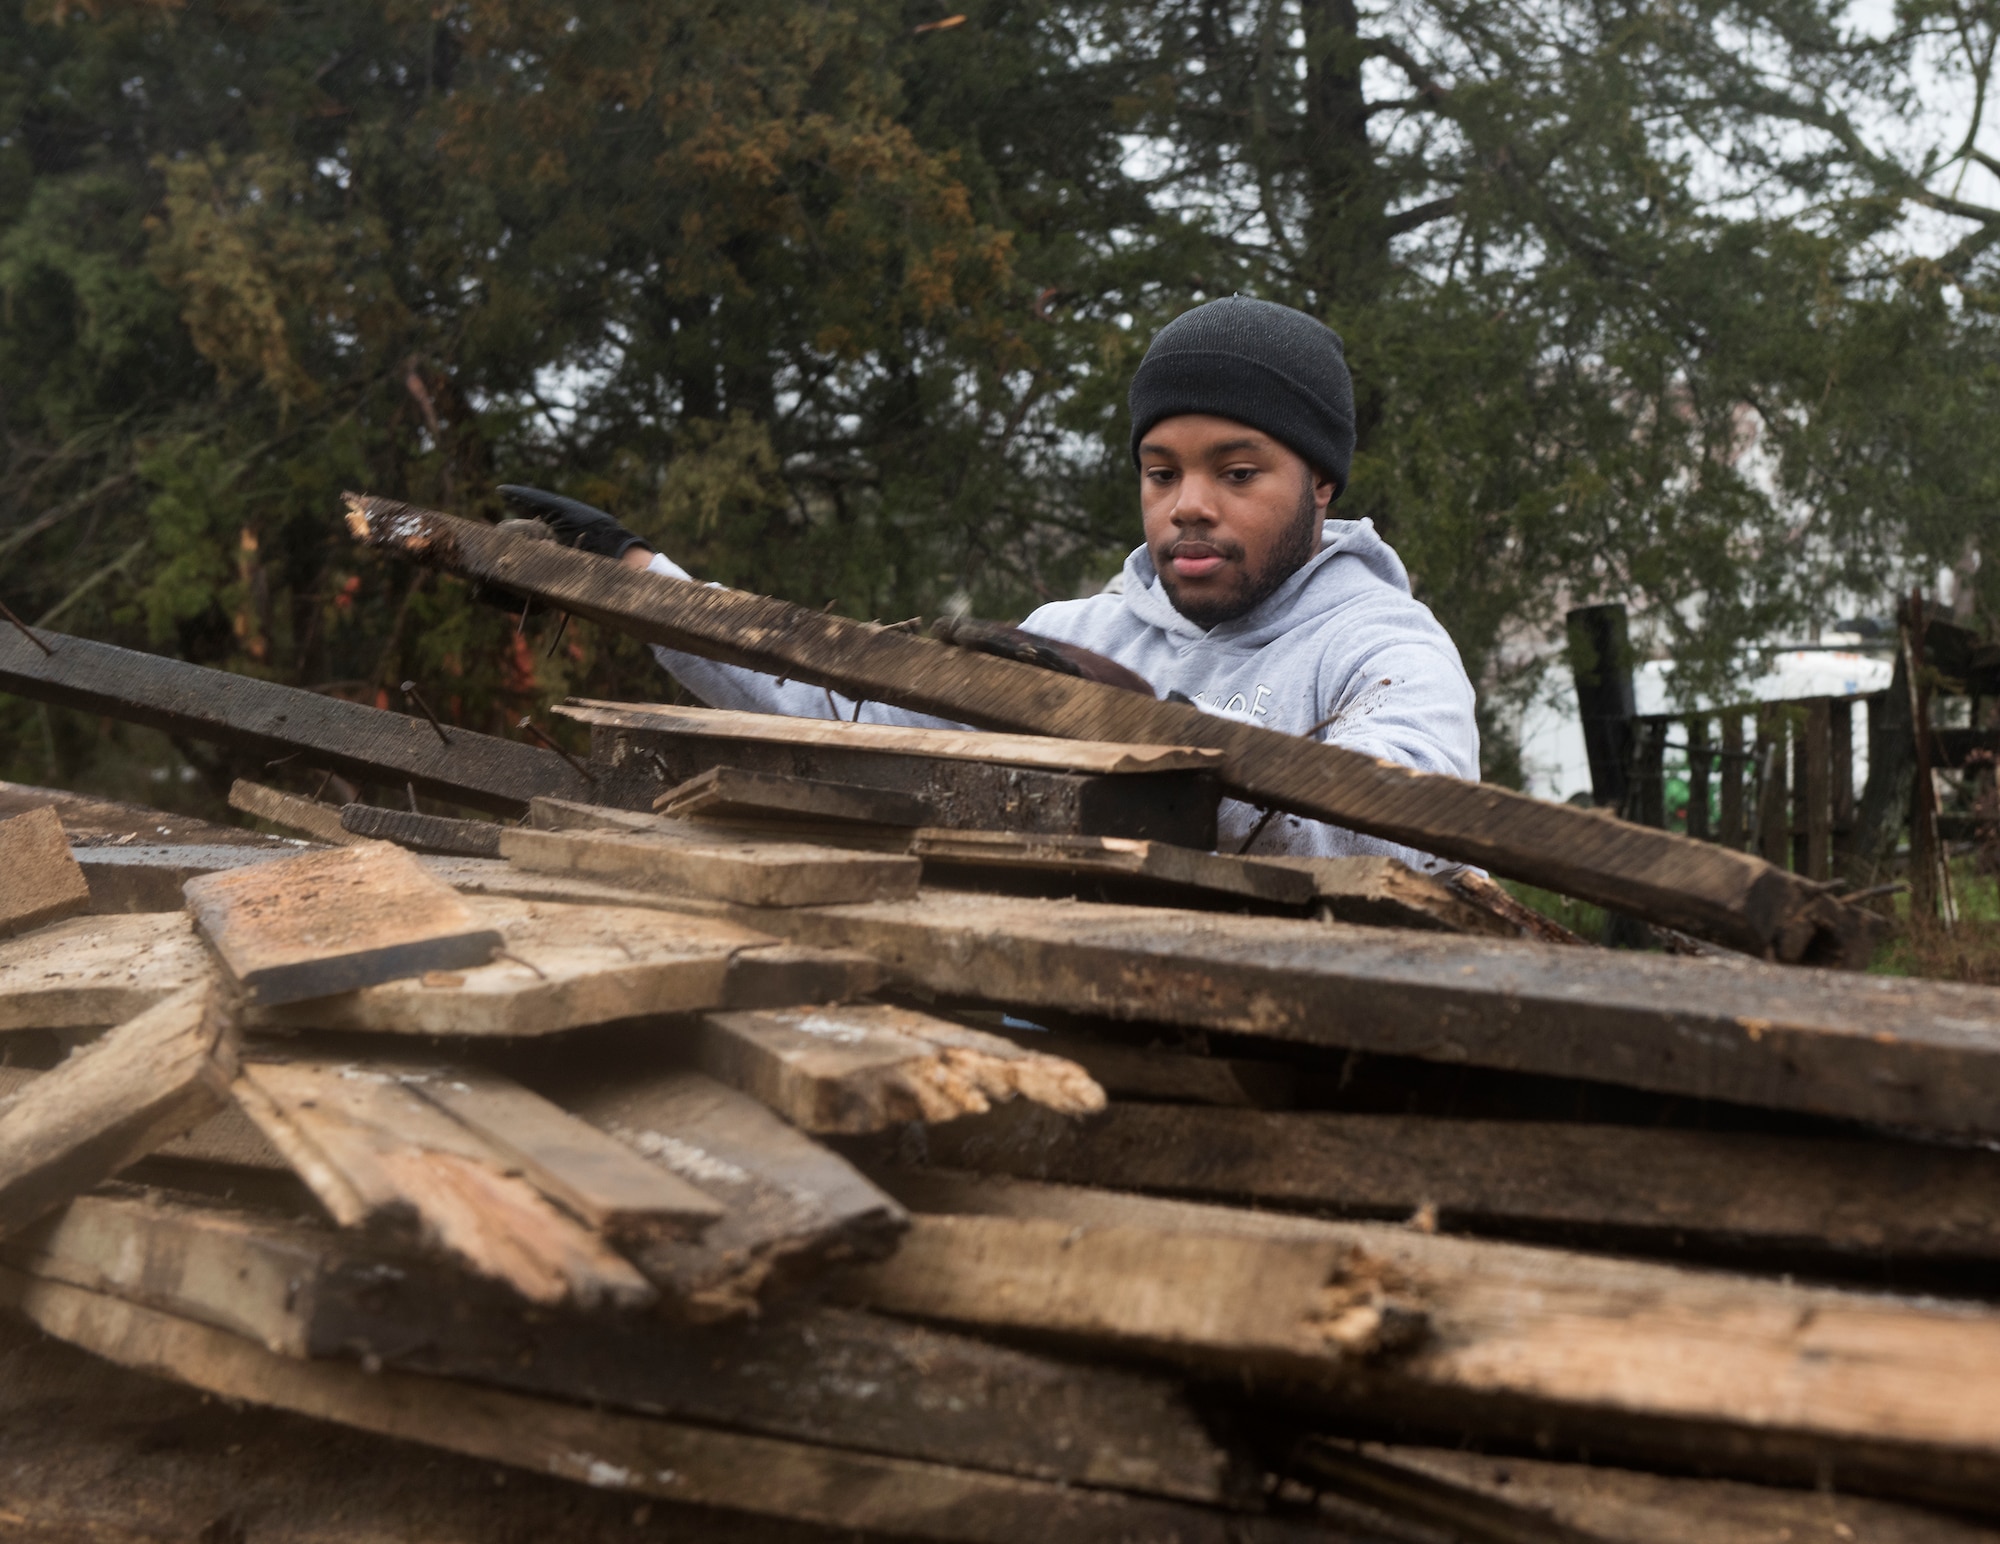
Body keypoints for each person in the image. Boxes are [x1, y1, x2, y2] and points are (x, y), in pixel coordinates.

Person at [504, 296, 1478, 864]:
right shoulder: (1073, 637)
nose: (1187, 503)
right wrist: (635, 579)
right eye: (1159, 470)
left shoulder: (1381, 650)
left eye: (1235, 473)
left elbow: (1408, 835)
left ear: (1318, 481)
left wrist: (1142, 744)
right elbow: (834, 717)